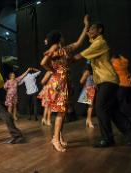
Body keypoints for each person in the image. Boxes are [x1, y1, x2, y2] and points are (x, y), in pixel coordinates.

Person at [74, 22, 131, 148]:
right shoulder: (95, 43)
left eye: (92, 29)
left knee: (100, 108)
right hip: (107, 82)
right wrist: (86, 27)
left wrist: (62, 60)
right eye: (88, 30)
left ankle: (107, 139)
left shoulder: (99, 43)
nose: (89, 31)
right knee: (113, 111)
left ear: (100, 30)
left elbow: (80, 55)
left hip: (108, 81)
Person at [40, 15, 90, 152]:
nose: (64, 38)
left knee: (64, 112)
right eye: (62, 36)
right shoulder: (56, 49)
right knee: (61, 113)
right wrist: (53, 71)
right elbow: (43, 62)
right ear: (59, 38)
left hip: (65, 83)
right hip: (59, 84)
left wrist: (86, 26)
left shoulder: (65, 51)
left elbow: (78, 48)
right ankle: (55, 139)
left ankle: (59, 136)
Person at [111, 54, 131, 125]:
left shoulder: (115, 64)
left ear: (113, 58)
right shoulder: (124, 61)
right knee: (130, 102)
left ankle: (125, 120)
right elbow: (123, 58)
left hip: (123, 85)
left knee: (121, 102)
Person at [77, 61, 97, 128]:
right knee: (91, 105)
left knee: (92, 105)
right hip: (89, 90)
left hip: (94, 89)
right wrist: (88, 85)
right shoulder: (87, 72)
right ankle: (89, 120)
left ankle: (88, 119)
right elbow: (81, 81)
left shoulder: (95, 71)